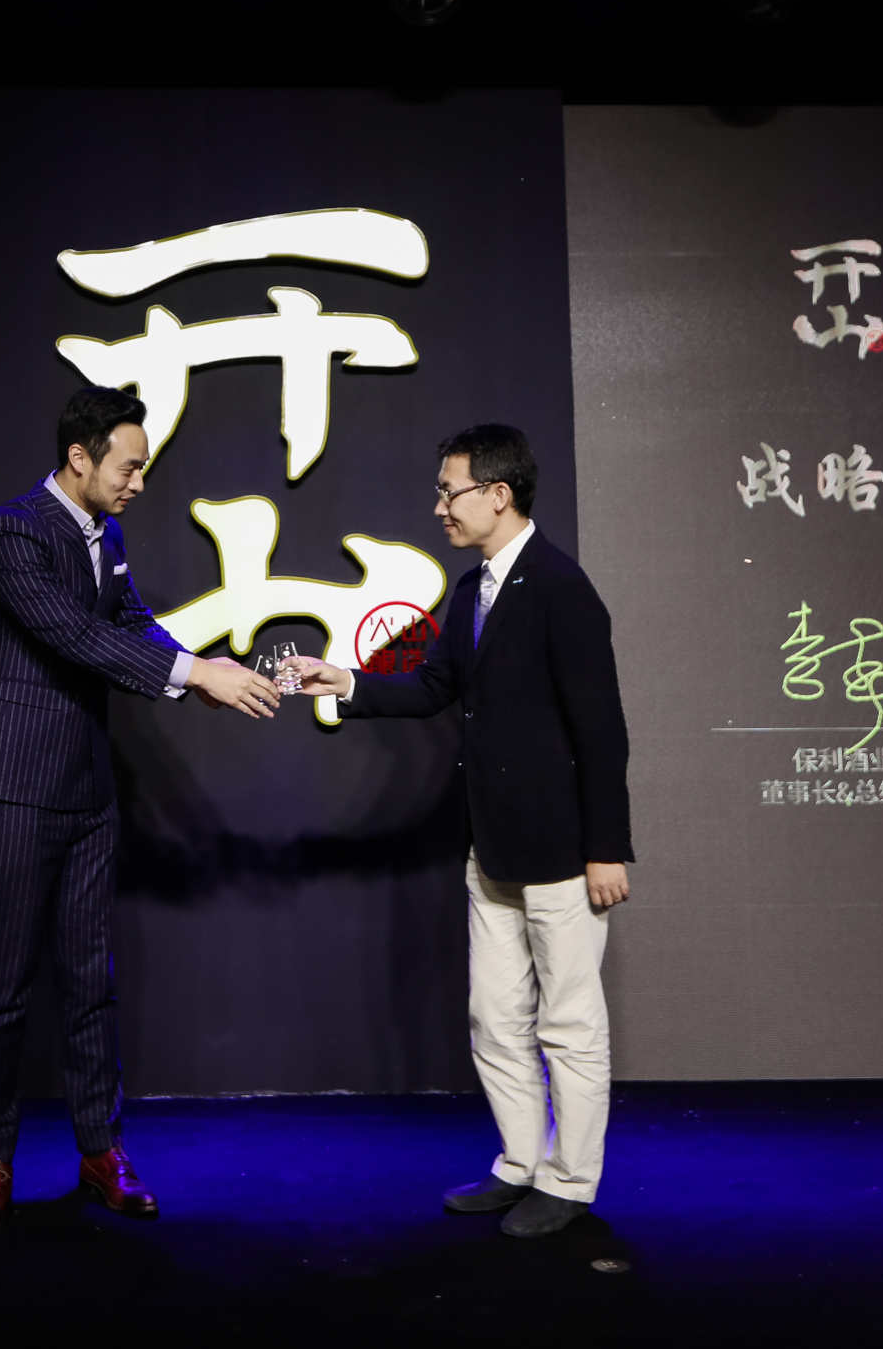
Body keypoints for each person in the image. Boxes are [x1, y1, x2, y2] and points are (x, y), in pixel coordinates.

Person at [0, 385, 282, 1233]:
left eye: (143, 467)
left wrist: (199, 674)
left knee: (89, 984)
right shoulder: (12, 530)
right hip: (12, 787)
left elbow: (132, 623)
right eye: (128, 467)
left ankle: (102, 1151)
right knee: (3, 988)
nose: (138, 482)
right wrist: (193, 674)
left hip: (87, 793)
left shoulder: (110, 534)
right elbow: (72, 633)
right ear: (79, 457)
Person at [288, 423, 632, 1240]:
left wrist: (606, 848)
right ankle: (520, 1164)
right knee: (494, 1016)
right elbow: (435, 684)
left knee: (569, 1024)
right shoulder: (472, 585)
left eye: (450, 490)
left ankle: (571, 1181)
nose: (439, 505)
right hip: (491, 847)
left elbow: (603, 731)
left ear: (498, 494)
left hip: (561, 851)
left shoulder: (562, 587)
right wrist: (344, 680)